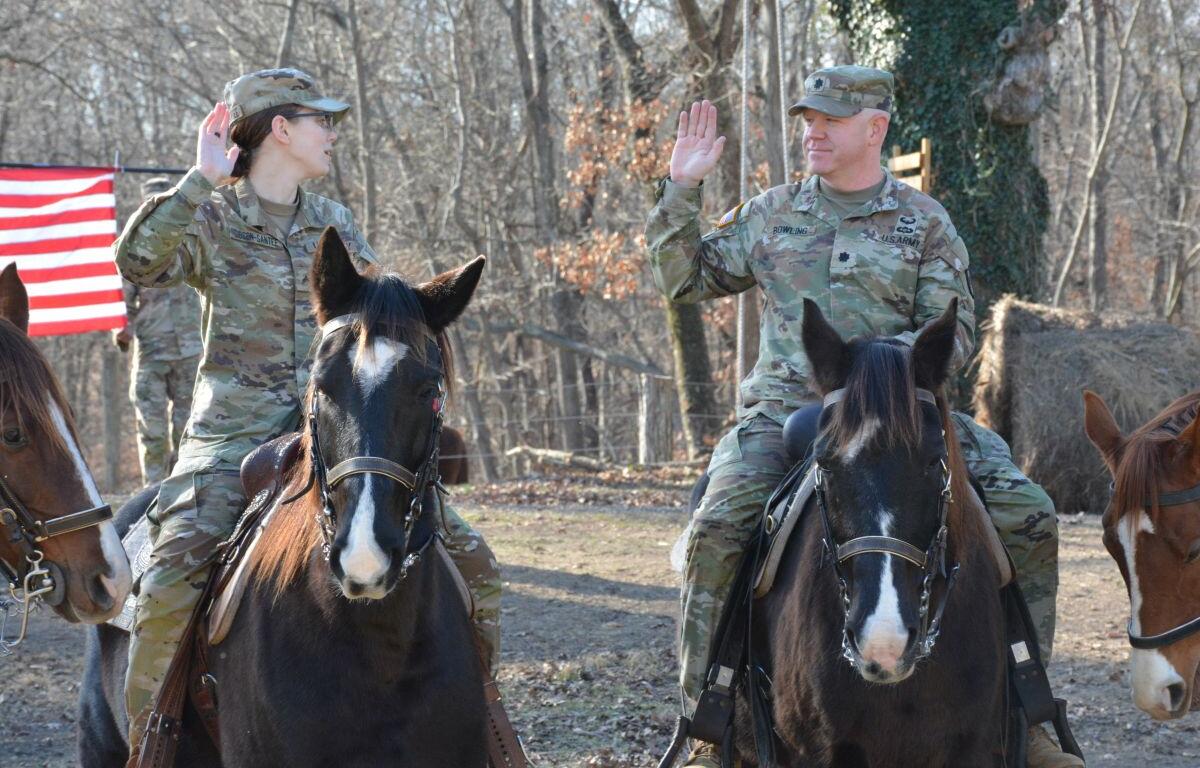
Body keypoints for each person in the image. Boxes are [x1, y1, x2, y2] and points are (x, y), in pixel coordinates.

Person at [645, 66, 1079, 768]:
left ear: (874, 128)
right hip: (784, 415)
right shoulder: (771, 212)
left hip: (905, 412)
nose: (813, 130)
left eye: (831, 119)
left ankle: (1027, 715)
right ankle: (707, 722)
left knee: (1030, 515)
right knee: (719, 528)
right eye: (808, 118)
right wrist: (682, 188)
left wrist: (881, 376)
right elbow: (682, 279)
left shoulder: (924, 223)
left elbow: (955, 331)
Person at [113, 68, 501, 761]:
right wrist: (197, 180)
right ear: (280, 130)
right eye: (320, 120)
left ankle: (485, 730)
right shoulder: (213, 216)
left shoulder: (336, 225)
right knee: (170, 579)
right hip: (230, 442)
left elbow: (388, 324)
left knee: (474, 561)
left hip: (341, 436)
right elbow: (139, 261)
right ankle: (152, 743)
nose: (332, 133)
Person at [114, 177, 203, 485]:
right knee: (151, 430)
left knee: (187, 426)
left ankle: (179, 488)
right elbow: (122, 298)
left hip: (191, 350)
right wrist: (122, 328)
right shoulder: (137, 246)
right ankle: (151, 492)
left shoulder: (193, 236)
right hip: (151, 350)